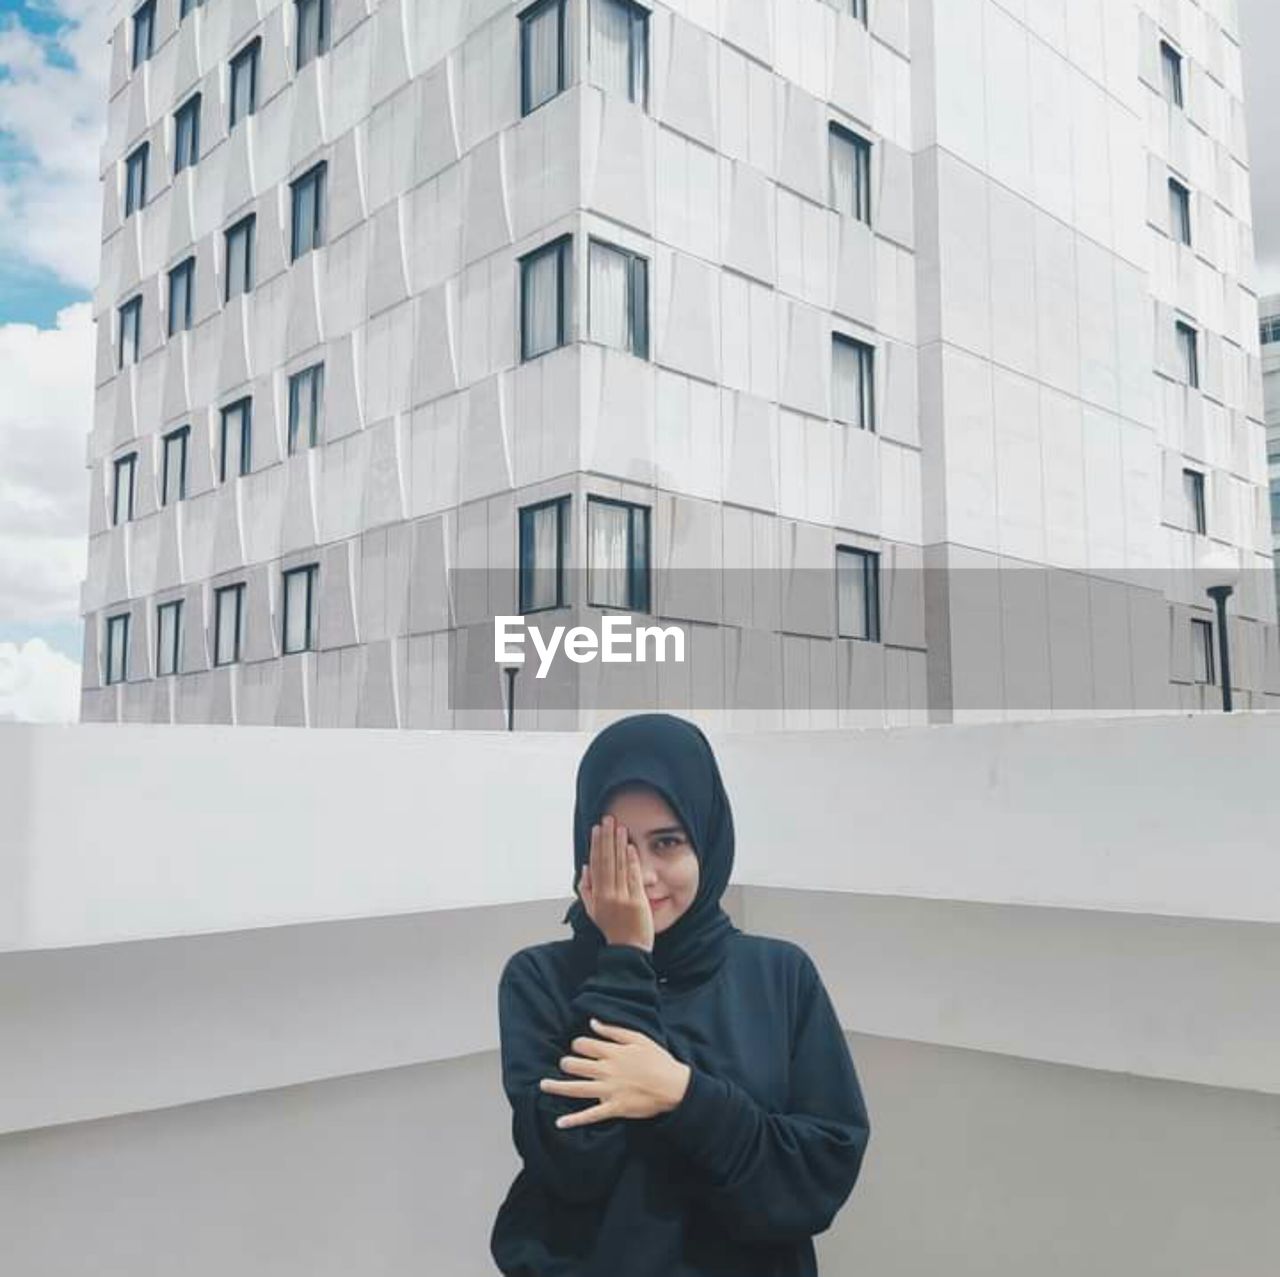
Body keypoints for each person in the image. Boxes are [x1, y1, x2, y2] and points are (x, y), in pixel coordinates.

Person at [489, 712, 871, 1276]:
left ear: (707, 840)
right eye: (619, 847)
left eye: (666, 842)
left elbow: (817, 1178)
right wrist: (624, 959)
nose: (642, 875)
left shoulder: (779, 975)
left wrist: (683, 1095)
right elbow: (571, 1166)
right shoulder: (539, 980)